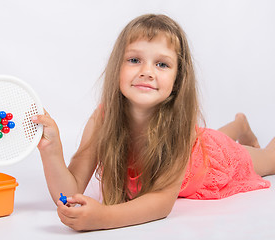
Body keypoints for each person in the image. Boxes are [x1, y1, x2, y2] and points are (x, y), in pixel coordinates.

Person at [31, 14, 275, 231]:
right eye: (135, 60)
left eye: (162, 64)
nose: (147, 71)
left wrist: (104, 217)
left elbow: (161, 202)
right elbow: (68, 193)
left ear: (178, 79)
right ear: (117, 67)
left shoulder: (179, 127)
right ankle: (239, 125)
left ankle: (239, 128)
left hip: (212, 161)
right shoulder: (102, 119)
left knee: (270, 159)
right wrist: (51, 152)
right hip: (200, 145)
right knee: (208, 136)